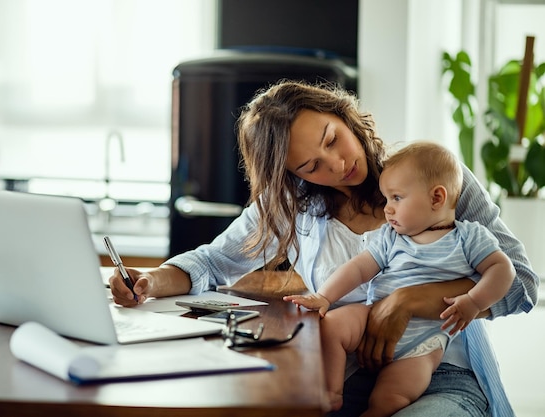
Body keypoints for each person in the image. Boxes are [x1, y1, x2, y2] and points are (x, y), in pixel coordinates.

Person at [109, 80, 539, 417]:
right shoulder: (292, 205)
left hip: (442, 373)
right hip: (345, 377)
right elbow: (210, 262)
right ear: (293, 176)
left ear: (344, 116)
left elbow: (521, 286)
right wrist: (148, 280)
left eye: (332, 139)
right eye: (310, 166)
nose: (336, 165)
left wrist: (406, 301)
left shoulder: (432, 176)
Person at [283, 141, 515, 416]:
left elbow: (504, 269)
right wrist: (324, 297)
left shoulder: (468, 238)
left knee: (389, 397)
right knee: (332, 326)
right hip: (373, 317)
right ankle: (331, 393)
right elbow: (358, 269)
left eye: (396, 198)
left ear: (436, 198)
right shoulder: (391, 238)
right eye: (386, 199)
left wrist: (475, 301)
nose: (387, 209)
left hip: (425, 343)